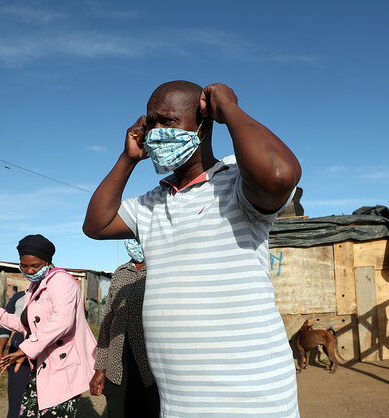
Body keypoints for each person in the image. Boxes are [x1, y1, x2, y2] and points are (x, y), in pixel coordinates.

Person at [83, 81, 302, 417]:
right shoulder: (151, 203)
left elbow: (277, 174)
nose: (156, 132)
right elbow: (96, 225)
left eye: (168, 121)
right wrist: (128, 160)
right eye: (151, 122)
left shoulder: (237, 185)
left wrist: (228, 107)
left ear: (203, 124)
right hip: (179, 403)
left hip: (253, 399)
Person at [0, 234, 97, 417]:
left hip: (63, 367)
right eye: (24, 266)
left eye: (35, 266)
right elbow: (25, 325)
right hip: (43, 366)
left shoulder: (61, 281)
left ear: (48, 262)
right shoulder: (34, 288)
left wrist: (25, 349)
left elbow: (62, 321)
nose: (29, 271)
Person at [89, 239, 159, 418]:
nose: (132, 242)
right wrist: (100, 368)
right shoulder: (120, 273)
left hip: (151, 367)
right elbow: (107, 321)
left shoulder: (162, 269)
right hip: (118, 366)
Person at [0, 289, 30, 418]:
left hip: (45, 350)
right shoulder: (20, 296)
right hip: (18, 348)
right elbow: (5, 324)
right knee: (16, 397)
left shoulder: (55, 295)